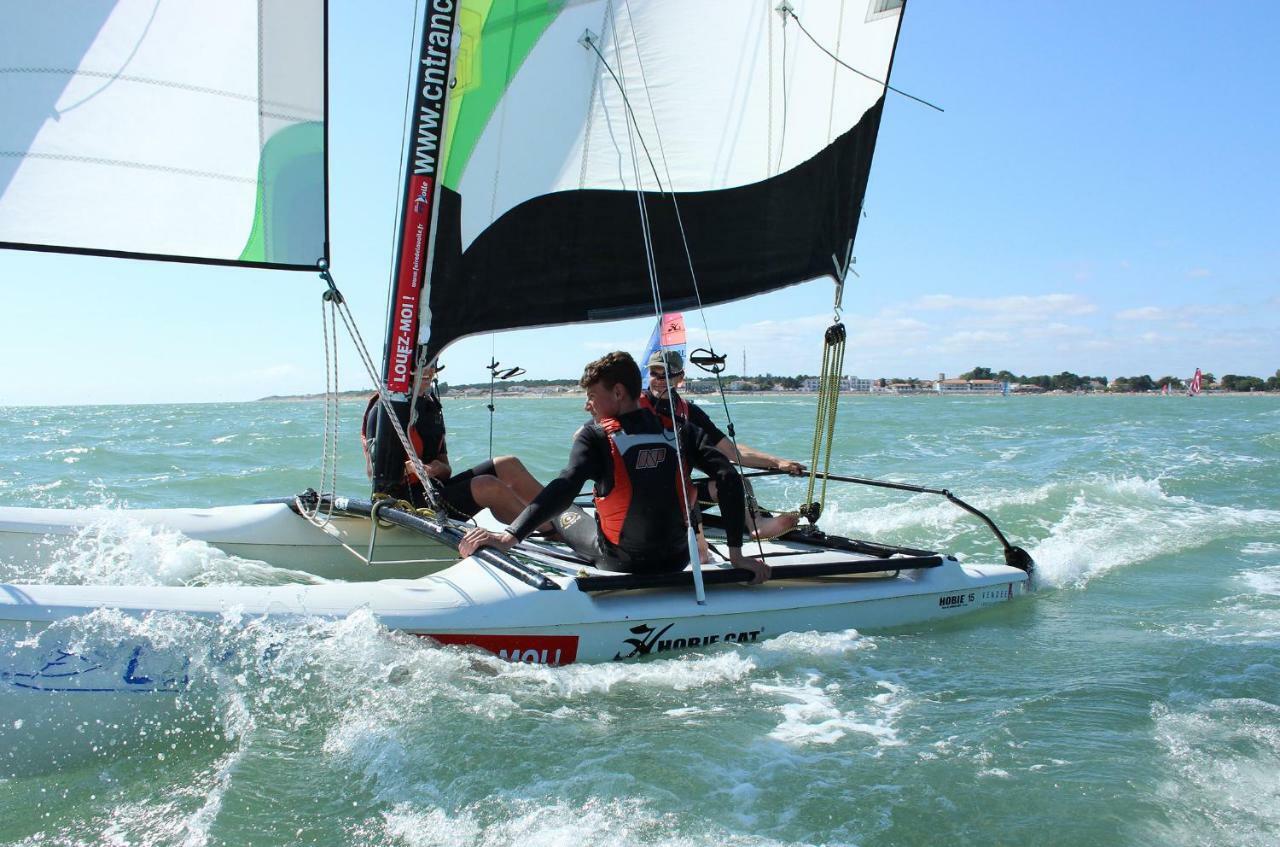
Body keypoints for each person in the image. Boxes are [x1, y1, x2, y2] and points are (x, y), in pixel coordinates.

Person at [459, 351, 770, 584]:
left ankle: (543, 531)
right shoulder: (681, 429)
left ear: (619, 393)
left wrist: (509, 536)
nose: (587, 405)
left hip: (619, 562)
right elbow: (729, 477)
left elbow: (565, 487)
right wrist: (736, 554)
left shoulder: (595, 436)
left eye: (592, 396)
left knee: (565, 512)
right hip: (675, 560)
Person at [361, 359, 547, 527]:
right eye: (420, 364)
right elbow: (373, 474)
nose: (428, 370)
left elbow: (447, 470)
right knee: (487, 485)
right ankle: (547, 531)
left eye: (432, 363)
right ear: (405, 368)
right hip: (403, 504)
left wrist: (436, 468)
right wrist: (409, 469)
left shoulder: (430, 407)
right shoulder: (384, 410)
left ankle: (560, 516)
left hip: (435, 491)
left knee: (507, 464)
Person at [642, 349, 803, 540]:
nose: (659, 380)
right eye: (654, 373)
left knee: (738, 483)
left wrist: (778, 462)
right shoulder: (635, 406)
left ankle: (757, 525)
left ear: (680, 377)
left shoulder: (690, 412)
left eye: (666, 374)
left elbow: (732, 452)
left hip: (681, 498)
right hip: (640, 500)